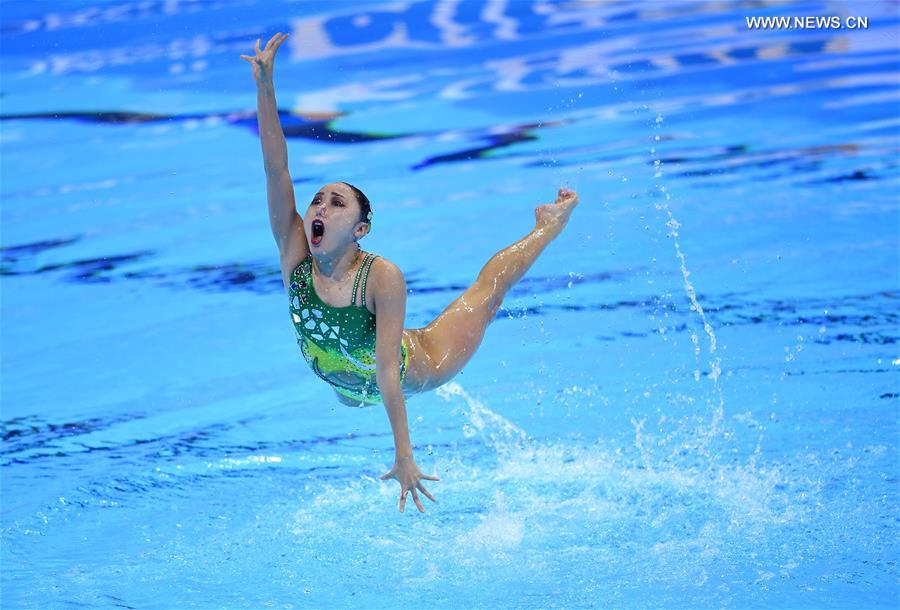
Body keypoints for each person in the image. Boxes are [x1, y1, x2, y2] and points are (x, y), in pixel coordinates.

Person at [241, 33, 579, 513]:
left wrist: (404, 455)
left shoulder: (381, 277)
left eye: (336, 203)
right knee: (354, 387)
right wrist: (266, 88)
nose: (319, 207)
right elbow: (276, 171)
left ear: (360, 229)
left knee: (487, 294)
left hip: (418, 364)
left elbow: (384, 370)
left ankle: (548, 225)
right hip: (345, 379)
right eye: (318, 199)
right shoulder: (294, 250)